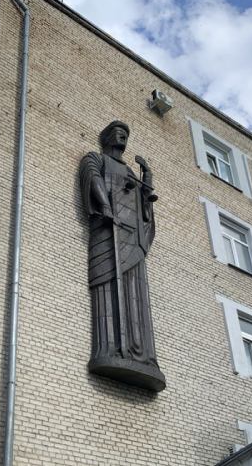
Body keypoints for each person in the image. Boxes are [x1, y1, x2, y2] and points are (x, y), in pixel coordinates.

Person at [79, 120, 165, 392]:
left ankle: (141, 354)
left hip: (132, 238)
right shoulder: (96, 158)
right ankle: (109, 348)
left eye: (126, 134)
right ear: (106, 138)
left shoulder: (130, 171)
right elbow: (92, 178)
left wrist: (147, 178)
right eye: (118, 133)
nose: (123, 137)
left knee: (135, 293)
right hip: (108, 231)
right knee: (107, 286)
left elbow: (144, 206)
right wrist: (105, 206)